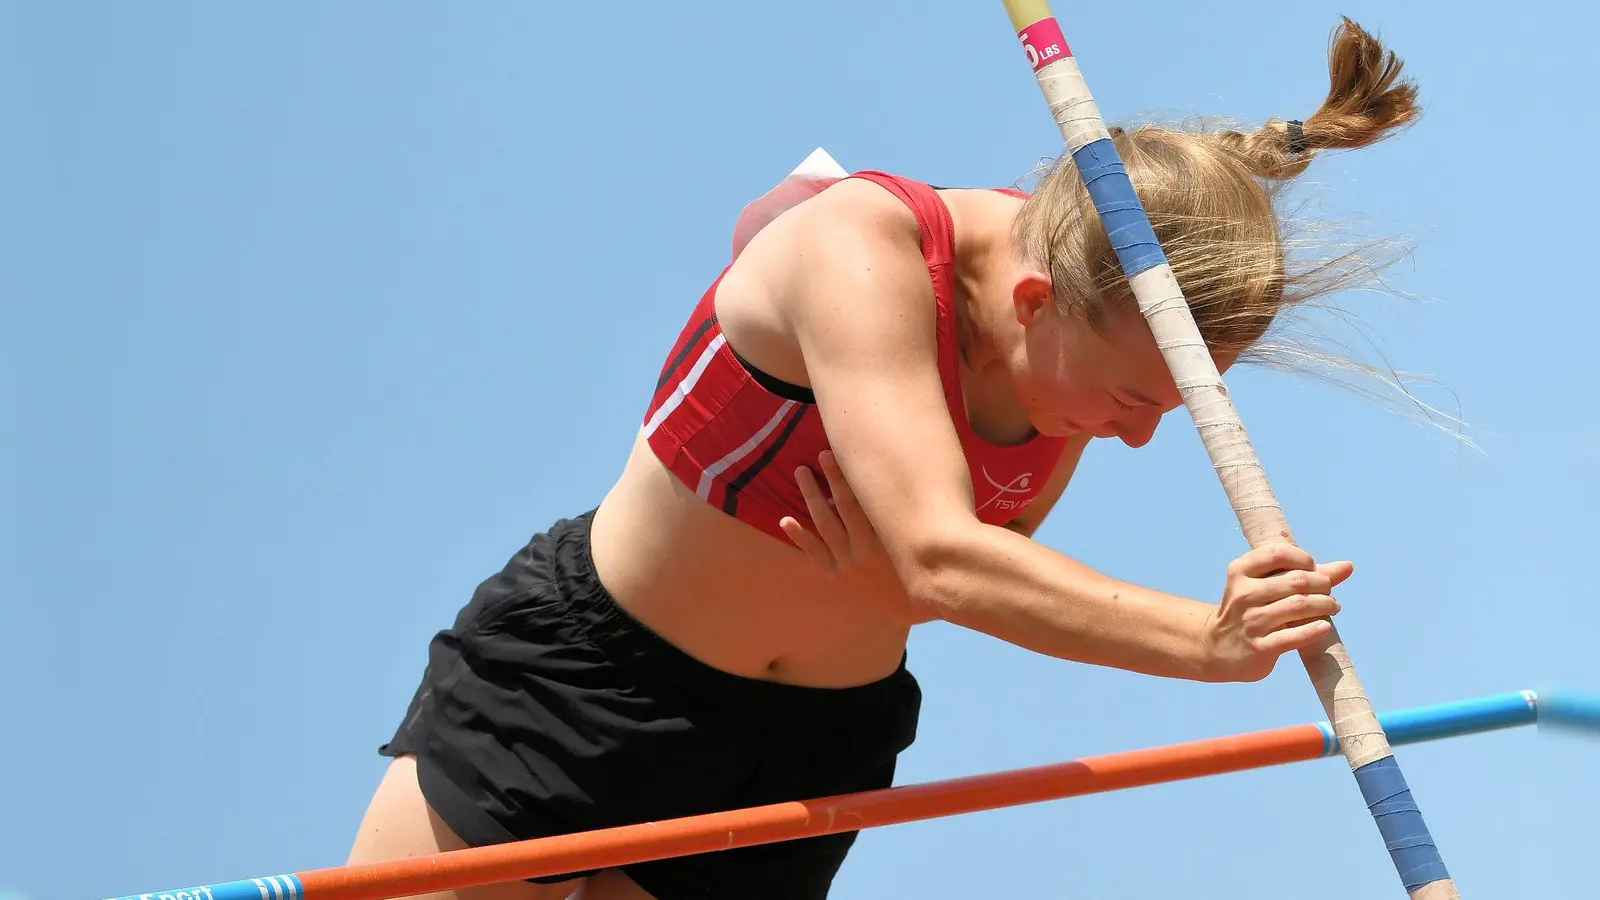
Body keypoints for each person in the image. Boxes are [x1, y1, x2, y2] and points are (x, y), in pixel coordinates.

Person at [346, 16, 1420, 900]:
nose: (1136, 436)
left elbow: (952, 579)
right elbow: (943, 564)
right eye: (1134, 399)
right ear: (1033, 305)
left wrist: (923, 581)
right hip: (590, 680)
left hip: (810, 750)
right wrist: (1205, 639)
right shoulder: (863, 247)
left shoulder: (1068, 350)